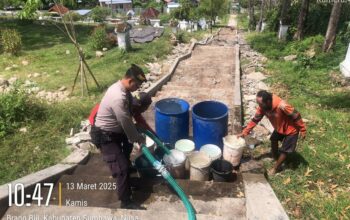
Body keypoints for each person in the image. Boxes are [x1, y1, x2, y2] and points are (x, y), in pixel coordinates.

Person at [90, 64, 148, 209]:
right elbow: (126, 122)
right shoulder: (118, 96)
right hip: (105, 136)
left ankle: (126, 177)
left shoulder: (122, 89)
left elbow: (128, 118)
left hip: (116, 131)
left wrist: (137, 134)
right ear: (130, 81)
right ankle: (125, 201)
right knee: (121, 168)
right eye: (138, 85)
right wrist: (138, 139)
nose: (138, 88)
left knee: (126, 152)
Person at [237, 90, 307, 175]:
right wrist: (245, 132)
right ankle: (275, 157)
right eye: (258, 103)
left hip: (291, 129)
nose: (259, 106)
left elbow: (296, 115)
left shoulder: (282, 106)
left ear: (268, 101)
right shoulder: (263, 107)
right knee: (273, 139)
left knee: (285, 150)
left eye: (260, 104)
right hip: (279, 127)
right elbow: (255, 119)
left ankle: (276, 168)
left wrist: (302, 129)